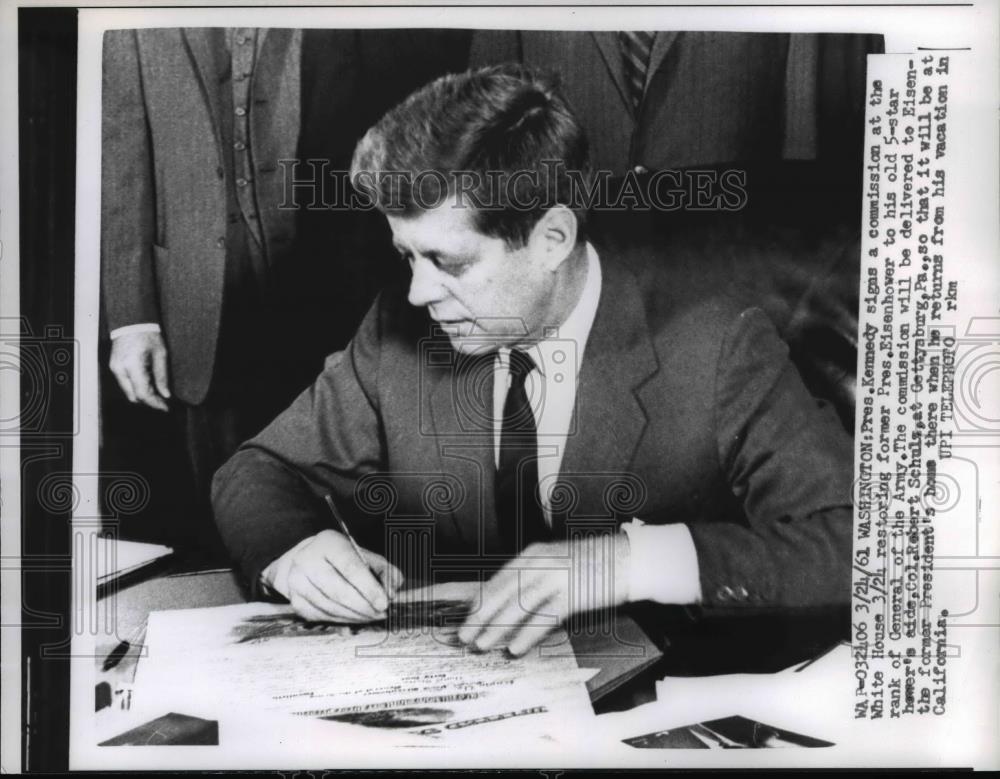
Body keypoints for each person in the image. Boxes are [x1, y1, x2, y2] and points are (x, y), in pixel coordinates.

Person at [212, 65, 854, 656]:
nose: (418, 292)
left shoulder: (717, 345)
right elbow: (258, 469)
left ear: (552, 238)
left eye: (447, 261)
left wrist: (623, 562)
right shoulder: (400, 329)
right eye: (407, 256)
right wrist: (294, 550)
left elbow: (858, 543)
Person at [101, 27, 470, 555]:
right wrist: (132, 317)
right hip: (196, 301)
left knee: (341, 504)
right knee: (217, 511)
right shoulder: (132, 22)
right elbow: (120, 154)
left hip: (326, 297)